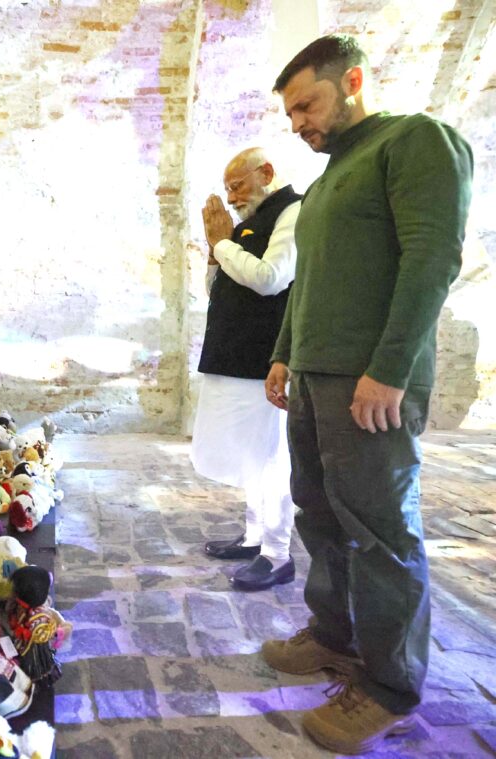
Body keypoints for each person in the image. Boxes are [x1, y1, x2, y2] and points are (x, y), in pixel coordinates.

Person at [261, 35, 472, 754]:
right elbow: (309, 279)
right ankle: (334, 636)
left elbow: (433, 258)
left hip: (372, 383)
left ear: (351, 80)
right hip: (317, 379)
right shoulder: (326, 182)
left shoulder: (416, 142)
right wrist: (285, 352)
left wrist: (389, 368)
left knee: (381, 529)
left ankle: (389, 684)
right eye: (291, 114)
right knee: (319, 512)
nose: (299, 124)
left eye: (307, 105)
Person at [191, 148, 301, 591]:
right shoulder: (244, 224)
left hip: (267, 358)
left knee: (272, 456)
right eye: (228, 187)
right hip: (236, 355)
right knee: (251, 455)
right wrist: (216, 253)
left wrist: (222, 243)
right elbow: (218, 290)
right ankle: (256, 534)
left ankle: (277, 555)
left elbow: (271, 277)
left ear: (267, 173)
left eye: (237, 185)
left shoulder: (291, 213)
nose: (232, 197)